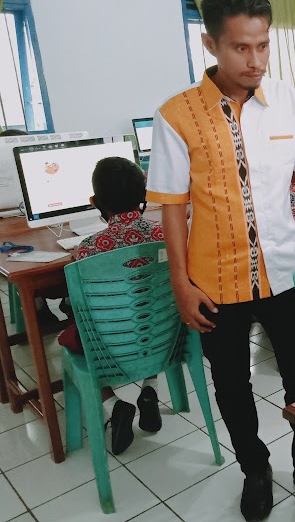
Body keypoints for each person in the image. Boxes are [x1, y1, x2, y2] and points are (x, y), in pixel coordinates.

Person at [145, 0, 295, 522]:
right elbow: (172, 209)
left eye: (263, 45)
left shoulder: (286, 102)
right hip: (212, 281)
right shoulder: (176, 116)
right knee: (232, 385)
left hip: (282, 271)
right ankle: (254, 468)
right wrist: (181, 282)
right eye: (240, 48)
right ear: (210, 44)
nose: (254, 60)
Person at [57, 157, 164, 455]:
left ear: (95, 202)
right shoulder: (165, 235)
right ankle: (150, 388)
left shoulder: (89, 250)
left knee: (73, 335)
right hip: (164, 337)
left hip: (110, 347)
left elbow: (81, 304)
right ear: (144, 196)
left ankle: (113, 404)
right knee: (149, 314)